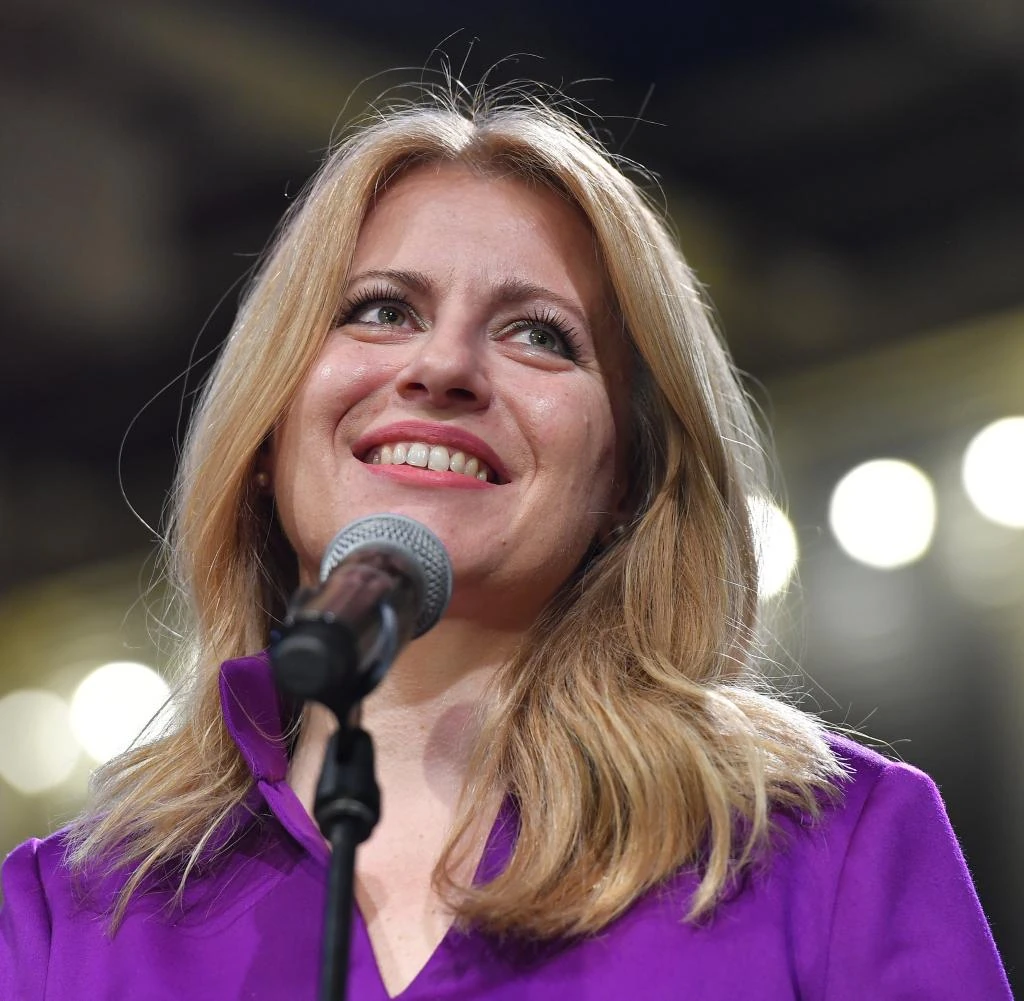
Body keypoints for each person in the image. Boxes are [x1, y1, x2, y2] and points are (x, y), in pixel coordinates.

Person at [0, 83, 1012, 1000]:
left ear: (625, 479)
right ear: (267, 433)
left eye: (539, 334)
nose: (444, 365)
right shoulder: (61, 921)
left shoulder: (824, 854)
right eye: (381, 310)